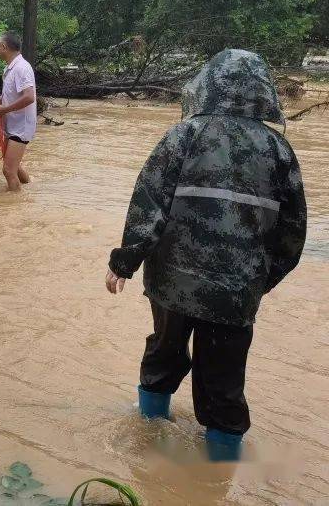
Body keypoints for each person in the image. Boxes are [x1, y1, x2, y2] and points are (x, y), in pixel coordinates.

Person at [105, 49, 306, 462]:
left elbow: (149, 203)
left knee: (163, 355)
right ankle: (217, 478)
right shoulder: (278, 149)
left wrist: (125, 261)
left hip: (173, 283)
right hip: (236, 291)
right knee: (224, 384)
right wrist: (258, 280)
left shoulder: (183, 135)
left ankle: (146, 452)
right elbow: (292, 232)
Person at [0, 32, 36, 191]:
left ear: (3, 47)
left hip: (21, 126)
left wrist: (4, 110)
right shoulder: (9, 68)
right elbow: (10, 93)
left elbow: (29, 97)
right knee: (14, 167)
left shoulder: (22, 68)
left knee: (8, 171)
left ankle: (15, 207)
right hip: (13, 124)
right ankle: (29, 189)